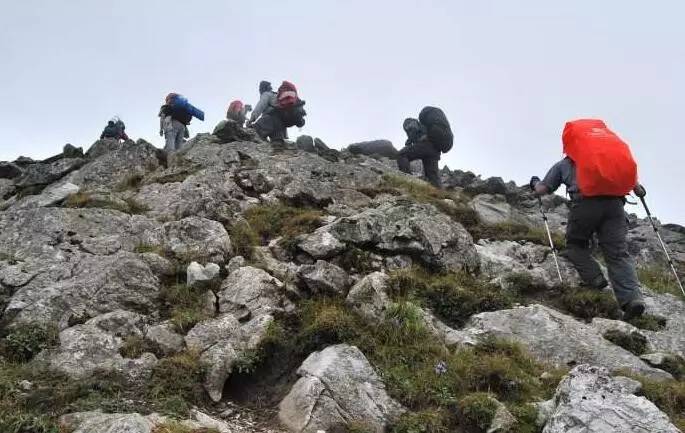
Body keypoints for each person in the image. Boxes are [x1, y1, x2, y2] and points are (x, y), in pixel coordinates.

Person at [530, 120, 647, 319]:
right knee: (617, 253)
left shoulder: (565, 164)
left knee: (575, 245)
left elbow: (543, 189)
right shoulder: (611, 160)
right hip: (615, 206)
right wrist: (637, 188)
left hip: (585, 205)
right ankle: (631, 300)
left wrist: (534, 183)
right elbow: (639, 189)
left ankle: (595, 278)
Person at [398, 107, 453, 188]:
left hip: (426, 146)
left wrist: (409, 140)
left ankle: (408, 182)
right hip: (435, 151)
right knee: (433, 176)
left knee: (402, 154)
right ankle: (440, 196)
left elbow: (413, 129)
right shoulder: (427, 126)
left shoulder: (410, 122)